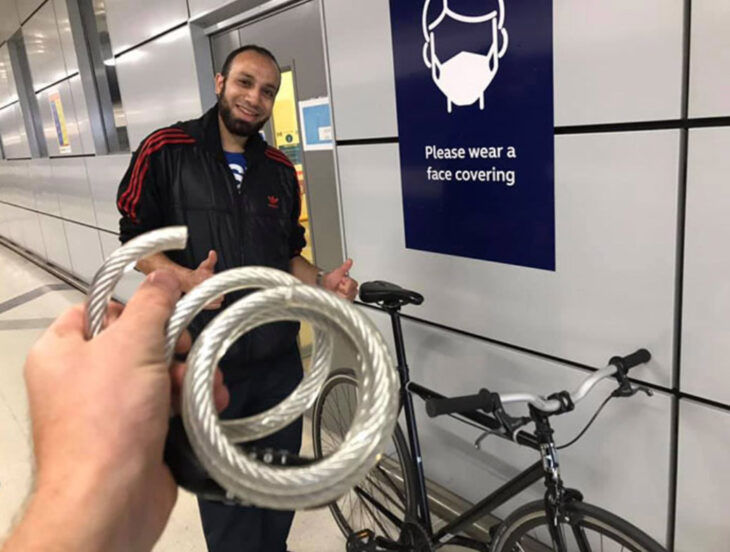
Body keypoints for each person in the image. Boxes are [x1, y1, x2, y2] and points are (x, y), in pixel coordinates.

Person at [115, 44, 357, 552]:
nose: (255, 98)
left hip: (277, 363)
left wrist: (321, 282)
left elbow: (288, 253)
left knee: (278, 492)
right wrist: (181, 276)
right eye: (246, 83)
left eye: (268, 91)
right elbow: (135, 239)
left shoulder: (276, 168)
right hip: (208, 365)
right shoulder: (167, 150)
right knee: (229, 511)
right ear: (221, 82)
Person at [1, 270, 230, 552]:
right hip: (198, 357)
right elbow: (141, 249)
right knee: (220, 489)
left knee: (268, 499)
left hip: (275, 368)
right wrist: (184, 278)